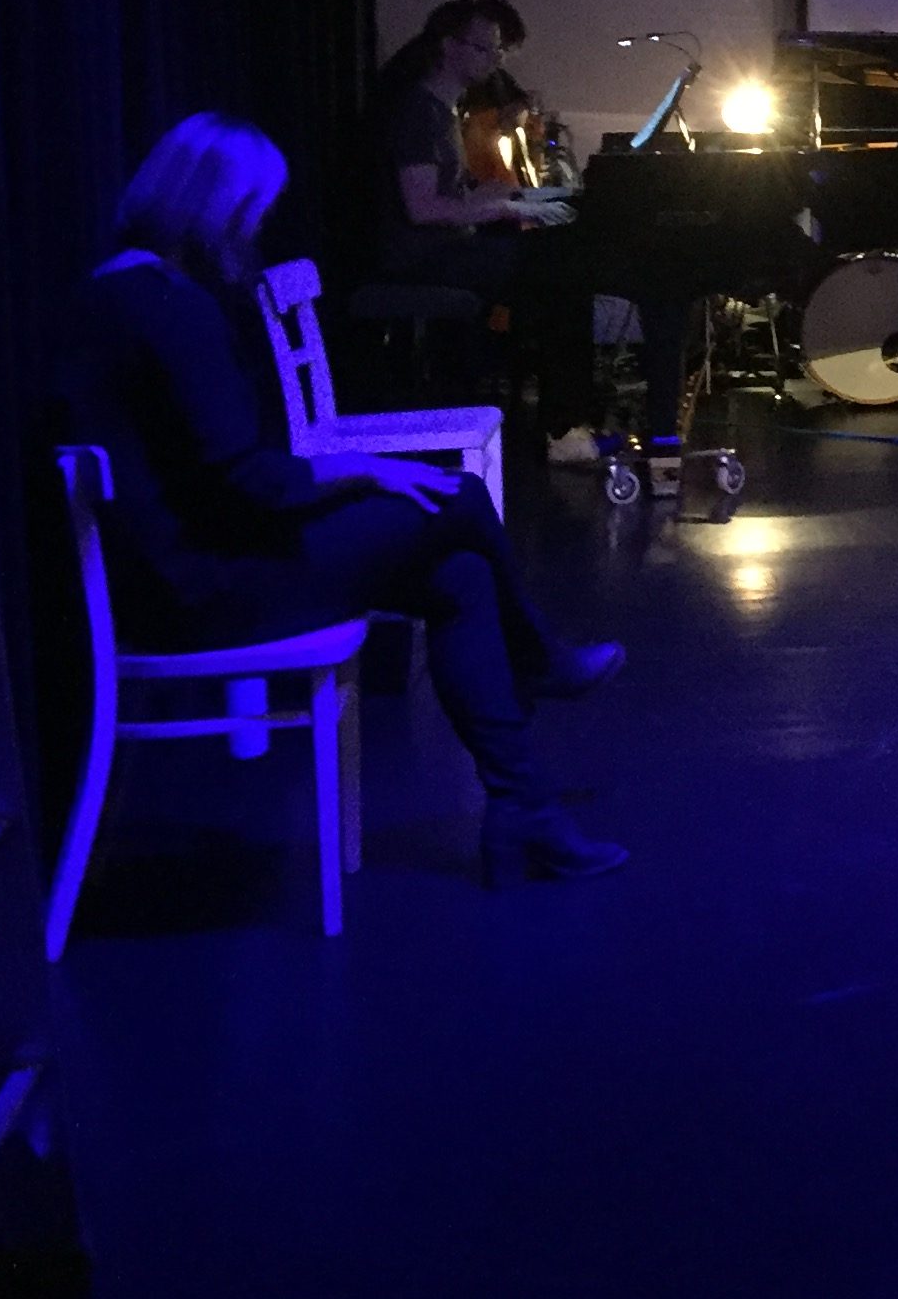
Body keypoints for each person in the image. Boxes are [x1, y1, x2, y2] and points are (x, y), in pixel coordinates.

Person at [61, 114, 628, 883]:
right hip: (207, 589)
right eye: (251, 210)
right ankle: (540, 662)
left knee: (459, 576)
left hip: (184, 567)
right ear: (214, 206)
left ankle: (525, 809)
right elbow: (246, 479)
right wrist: (365, 471)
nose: (254, 228)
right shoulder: (169, 308)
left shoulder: (115, 289)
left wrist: (358, 475)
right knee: (460, 496)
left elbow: (217, 475)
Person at [372, 0, 683, 472]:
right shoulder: (419, 110)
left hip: (448, 247)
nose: (495, 60)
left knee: (562, 267)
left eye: (498, 50)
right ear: (448, 47)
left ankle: (565, 423)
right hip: (424, 255)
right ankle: (563, 427)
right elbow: (422, 208)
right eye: (484, 49)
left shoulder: (443, 109)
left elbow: (450, 193)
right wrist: (501, 205)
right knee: (560, 269)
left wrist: (510, 195)